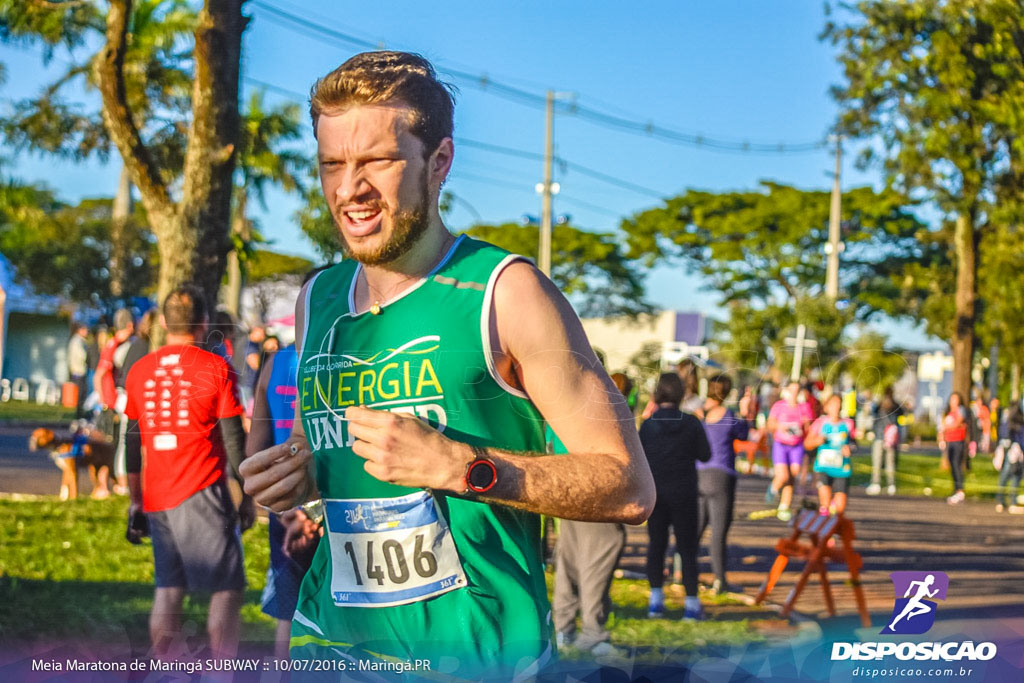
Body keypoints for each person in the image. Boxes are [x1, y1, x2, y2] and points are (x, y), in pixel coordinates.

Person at [239, 51, 654, 678]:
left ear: (439, 163)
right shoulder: (317, 299)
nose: (349, 190)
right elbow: (328, 452)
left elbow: (629, 486)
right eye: (332, 165)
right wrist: (298, 477)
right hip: (332, 648)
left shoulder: (507, 293)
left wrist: (461, 467)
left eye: (377, 161)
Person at [123, 286, 254, 658]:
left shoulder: (139, 371)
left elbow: (131, 444)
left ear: (164, 323)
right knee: (227, 587)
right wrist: (245, 497)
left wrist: (135, 501)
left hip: (156, 496)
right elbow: (233, 440)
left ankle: (164, 667)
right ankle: (222, 670)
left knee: (168, 588)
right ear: (205, 322)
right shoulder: (217, 368)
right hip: (201, 492)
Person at [551, 372, 630, 655]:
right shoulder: (599, 405)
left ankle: (564, 629)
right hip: (595, 493)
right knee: (597, 560)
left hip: (565, 490)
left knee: (569, 562)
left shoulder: (556, 404)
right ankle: (593, 635)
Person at [247, 340, 308, 658]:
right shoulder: (345, 347)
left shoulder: (274, 362)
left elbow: (253, 447)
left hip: (283, 498)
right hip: (331, 500)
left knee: (288, 607)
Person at [639, 372, 711, 621]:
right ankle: (691, 603)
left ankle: (655, 601)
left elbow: (640, 458)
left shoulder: (648, 424)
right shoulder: (691, 422)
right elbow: (705, 455)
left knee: (656, 546)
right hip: (685, 492)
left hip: (656, 494)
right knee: (687, 548)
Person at [695, 374, 749, 594]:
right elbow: (744, 434)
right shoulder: (729, 416)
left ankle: (680, 573)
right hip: (722, 476)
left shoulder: (698, 414)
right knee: (718, 532)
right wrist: (746, 412)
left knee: (695, 529)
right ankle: (719, 580)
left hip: (698, 475)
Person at [93, 309, 134, 495]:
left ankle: (109, 483)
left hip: (112, 400)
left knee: (114, 443)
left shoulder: (116, 344)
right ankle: (102, 486)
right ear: (130, 326)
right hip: (109, 402)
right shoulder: (114, 345)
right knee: (107, 445)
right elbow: (100, 374)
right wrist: (103, 400)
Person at [766, 381, 812, 521]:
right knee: (783, 476)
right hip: (781, 444)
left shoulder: (804, 407)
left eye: (797, 390)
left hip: (797, 445)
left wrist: (805, 424)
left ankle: (784, 506)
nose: (794, 393)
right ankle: (773, 489)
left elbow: (809, 429)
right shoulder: (779, 406)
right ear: (786, 390)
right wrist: (781, 426)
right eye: (791, 390)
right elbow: (770, 424)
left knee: (793, 474)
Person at [804, 394, 856, 515]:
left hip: (842, 469)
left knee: (840, 509)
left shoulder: (848, 424)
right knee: (825, 504)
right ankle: (824, 530)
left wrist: (850, 448)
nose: (836, 407)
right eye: (833, 404)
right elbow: (807, 443)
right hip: (823, 467)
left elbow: (854, 444)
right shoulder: (820, 423)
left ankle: (834, 530)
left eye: (839, 404)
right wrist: (817, 441)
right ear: (826, 407)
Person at [867, 386, 904, 496]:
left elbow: (873, 415)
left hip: (880, 437)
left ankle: (877, 483)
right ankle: (890, 484)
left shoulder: (880, 407)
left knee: (878, 462)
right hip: (890, 438)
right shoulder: (895, 406)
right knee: (890, 462)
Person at [939, 392, 968, 505]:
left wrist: (947, 427)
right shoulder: (948, 413)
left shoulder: (960, 410)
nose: (953, 402)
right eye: (952, 399)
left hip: (958, 441)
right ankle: (956, 490)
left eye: (955, 399)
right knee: (952, 466)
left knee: (957, 465)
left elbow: (957, 423)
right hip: (950, 441)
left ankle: (960, 491)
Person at [995, 404, 1024, 514]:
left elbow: (1000, 435)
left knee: (1004, 477)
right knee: (1015, 477)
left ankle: (1000, 500)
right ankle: (1012, 501)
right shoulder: (1020, 425)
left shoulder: (1005, 423)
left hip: (1006, 452)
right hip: (1015, 453)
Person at [239, 324, 266, 412]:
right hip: (248, 384)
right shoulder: (250, 345)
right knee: (250, 413)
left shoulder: (254, 345)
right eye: (261, 331)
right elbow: (255, 364)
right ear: (255, 330)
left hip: (250, 383)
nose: (264, 334)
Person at [67, 323, 90, 419]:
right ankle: (79, 415)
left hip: (78, 371)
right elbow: (82, 356)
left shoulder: (78, 341)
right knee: (80, 394)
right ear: (80, 330)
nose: (87, 332)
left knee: (81, 394)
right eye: (85, 330)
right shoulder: (77, 341)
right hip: (79, 371)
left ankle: (80, 414)